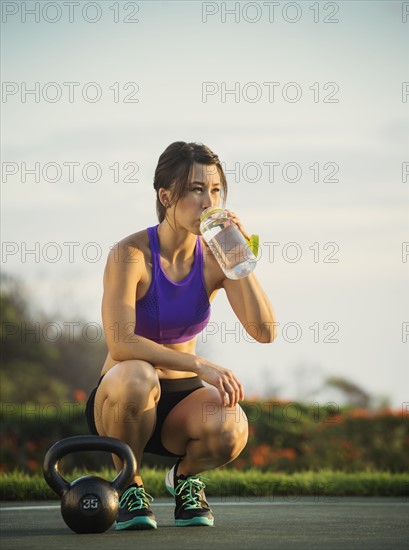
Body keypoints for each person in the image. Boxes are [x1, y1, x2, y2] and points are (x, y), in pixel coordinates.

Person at [85, 141, 276, 530]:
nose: (209, 201)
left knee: (232, 425)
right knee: (138, 373)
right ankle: (129, 484)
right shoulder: (130, 254)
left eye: (216, 190)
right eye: (196, 189)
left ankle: (184, 478)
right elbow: (121, 343)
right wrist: (199, 364)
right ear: (166, 195)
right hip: (124, 397)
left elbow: (265, 331)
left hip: (182, 406)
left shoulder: (217, 258)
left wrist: (240, 258)